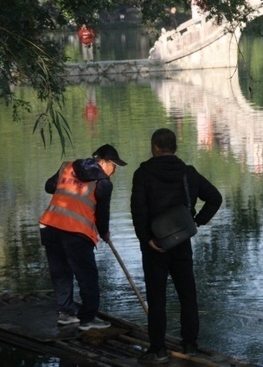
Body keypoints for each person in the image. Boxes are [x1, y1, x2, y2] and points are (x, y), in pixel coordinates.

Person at [130, 128, 222, 364]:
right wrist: (196, 222)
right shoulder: (187, 173)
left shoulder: (143, 174)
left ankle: (158, 350)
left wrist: (146, 238)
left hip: (154, 246)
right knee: (187, 296)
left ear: (154, 147)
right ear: (175, 148)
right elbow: (215, 198)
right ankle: (190, 345)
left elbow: (138, 210)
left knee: (157, 299)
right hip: (181, 243)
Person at [39, 144, 127, 330]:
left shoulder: (67, 166)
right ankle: (88, 319)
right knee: (88, 276)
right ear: (102, 162)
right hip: (76, 232)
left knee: (61, 273)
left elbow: (49, 186)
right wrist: (104, 232)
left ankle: (66, 314)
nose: (115, 171)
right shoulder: (103, 183)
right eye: (114, 165)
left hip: (51, 227)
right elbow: (102, 213)